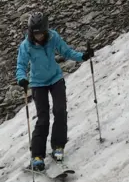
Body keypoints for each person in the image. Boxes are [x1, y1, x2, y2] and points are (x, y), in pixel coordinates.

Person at [15, 12, 94, 171]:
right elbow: (21, 66)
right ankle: (37, 156)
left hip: (56, 79)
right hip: (38, 83)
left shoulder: (53, 37)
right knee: (43, 118)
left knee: (60, 110)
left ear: (45, 30)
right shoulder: (26, 45)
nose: (38, 36)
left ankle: (58, 146)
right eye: (35, 33)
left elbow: (67, 52)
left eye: (40, 32)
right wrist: (22, 78)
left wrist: (82, 56)